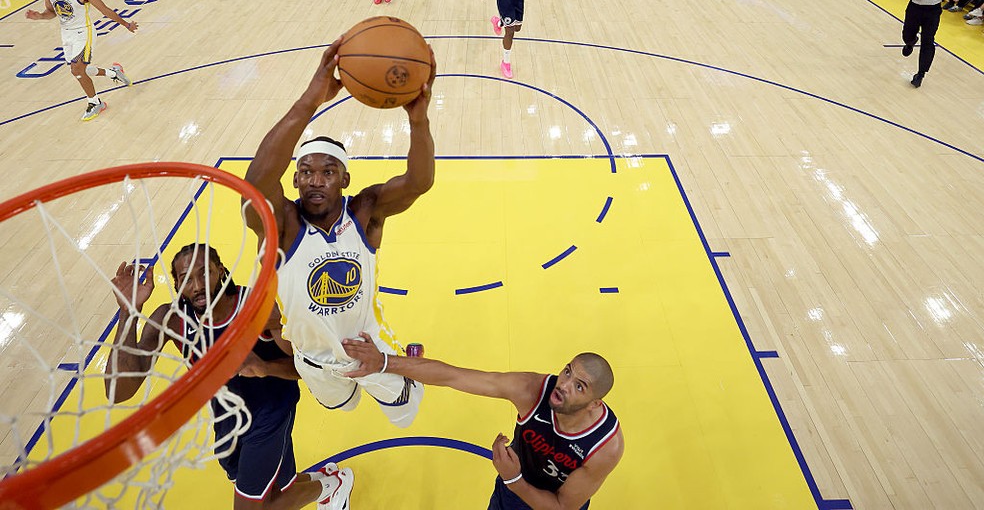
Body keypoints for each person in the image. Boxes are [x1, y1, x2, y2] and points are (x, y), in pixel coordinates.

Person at [242, 41, 437, 432]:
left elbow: (419, 182)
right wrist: (313, 96)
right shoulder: (282, 223)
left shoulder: (365, 211)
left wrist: (418, 120)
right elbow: (257, 182)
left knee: (404, 414)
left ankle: (406, 373)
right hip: (314, 359)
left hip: (372, 350)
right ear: (294, 178)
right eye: (307, 171)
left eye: (329, 171)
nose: (316, 180)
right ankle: (344, 391)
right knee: (342, 408)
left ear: (345, 179)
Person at [104, 245, 354, 509]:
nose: (198, 285)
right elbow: (118, 391)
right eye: (187, 279)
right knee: (277, 488)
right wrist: (128, 311)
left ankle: (334, 486)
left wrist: (265, 368)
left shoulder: (261, 309)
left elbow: (304, 370)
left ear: (221, 271)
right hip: (228, 417)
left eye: (205, 273)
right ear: (177, 285)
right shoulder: (172, 320)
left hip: (273, 411)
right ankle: (328, 483)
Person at [342, 336, 624, 510]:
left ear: (594, 404)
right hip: (512, 492)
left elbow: (563, 506)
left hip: (535, 492)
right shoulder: (531, 389)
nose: (563, 384)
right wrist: (383, 362)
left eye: (579, 386)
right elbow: (454, 376)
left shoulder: (606, 447)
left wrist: (513, 478)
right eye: (567, 372)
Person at [25, 0, 136, 122]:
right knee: (80, 71)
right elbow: (51, 12)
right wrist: (40, 16)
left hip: (84, 32)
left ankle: (95, 102)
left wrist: (126, 24)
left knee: (77, 70)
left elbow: (105, 10)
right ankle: (114, 73)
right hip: (66, 33)